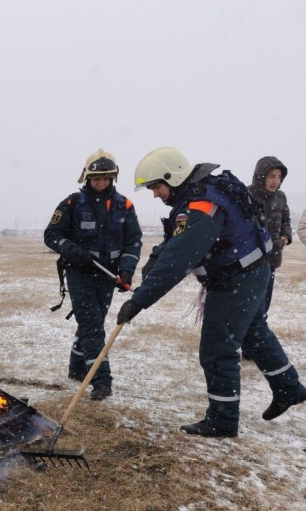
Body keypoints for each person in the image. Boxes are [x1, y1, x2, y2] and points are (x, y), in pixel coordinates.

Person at [119, 147, 306, 437]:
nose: (155, 194)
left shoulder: (202, 205)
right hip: (252, 271)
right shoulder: (198, 196)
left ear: (173, 176)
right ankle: (289, 389)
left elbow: (180, 257)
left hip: (236, 280)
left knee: (218, 348)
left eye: (156, 186)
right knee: (255, 334)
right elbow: (175, 239)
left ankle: (222, 419)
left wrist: (139, 301)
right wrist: (156, 256)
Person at [44, 149, 143, 400]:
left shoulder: (125, 206)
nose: (100, 183)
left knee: (93, 323)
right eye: (96, 178)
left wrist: (126, 271)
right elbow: (51, 235)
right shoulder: (71, 204)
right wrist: (73, 251)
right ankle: (101, 379)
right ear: (87, 178)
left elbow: (133, 242)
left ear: (112, 178)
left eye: (105, 178)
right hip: (79, 274)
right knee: (91, 326)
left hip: (107, 276)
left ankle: (77, 368)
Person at [247, 156, 292, 314]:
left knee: (263, 308)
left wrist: (285, 237)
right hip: (250, 262)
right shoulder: (247, 195)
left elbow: (286, 220)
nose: (276, 181)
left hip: (272, 260)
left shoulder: (281, 197)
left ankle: (257, 335)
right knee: (248, 309)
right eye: (271, 176)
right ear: (261, 176)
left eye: (279, 177)